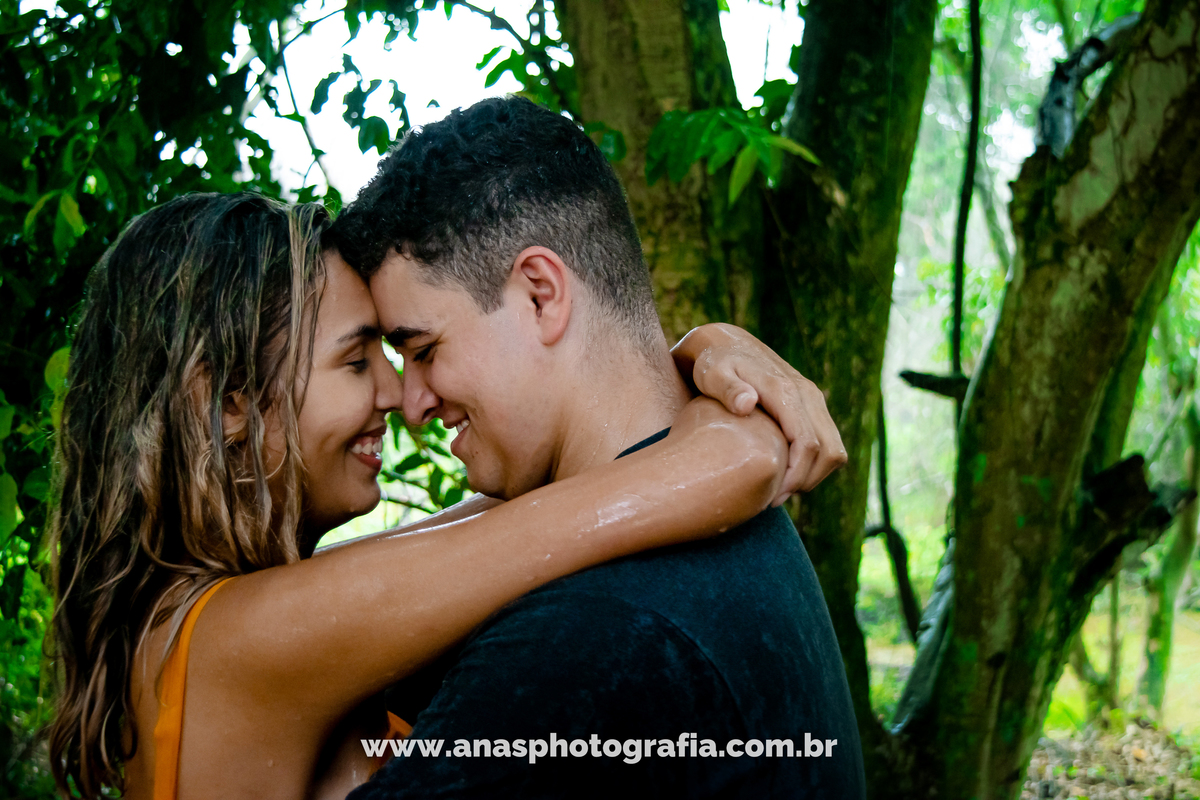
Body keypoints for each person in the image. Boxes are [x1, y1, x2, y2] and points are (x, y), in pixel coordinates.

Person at [47, 191, 845, 800]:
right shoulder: (241, 639)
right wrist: (732, 393)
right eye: (358, 362)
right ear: (223, 403)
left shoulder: (216, 617)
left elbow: (550, 496)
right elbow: (709, 472)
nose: (397, 394)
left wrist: (698, 351)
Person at [332, 95, 865, 799]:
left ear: (541, 294)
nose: (413, 402)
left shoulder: (587, 639)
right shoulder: (717, 521)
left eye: (424, 350)